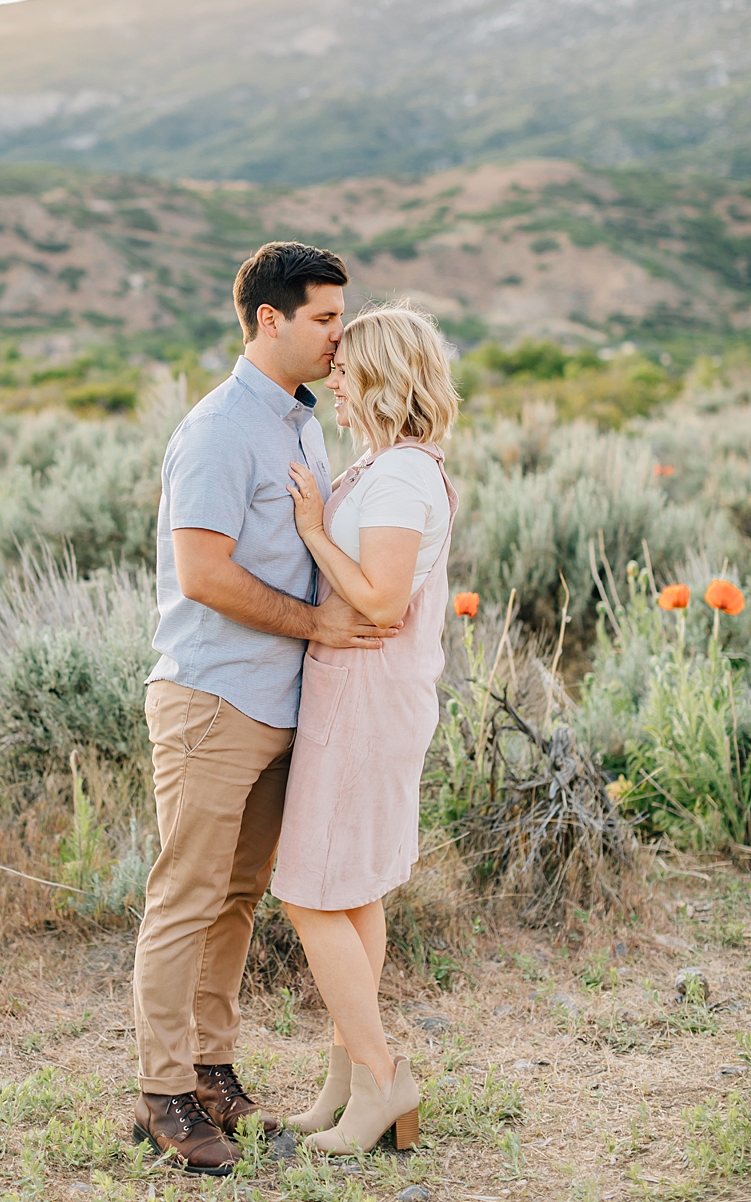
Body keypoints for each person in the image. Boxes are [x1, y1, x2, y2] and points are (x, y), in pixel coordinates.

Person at [132, 241, 403, 1176]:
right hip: (212, 699)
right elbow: (204, 574)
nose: (341, 335)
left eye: (341, 316)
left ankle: (212, 1071)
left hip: (279, 702)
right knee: (185, 898)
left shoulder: (300, 422)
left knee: (239, 898)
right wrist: (318, 626)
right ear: (269, 321)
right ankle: (163, 1094)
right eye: (326, 319)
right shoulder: (216, 430)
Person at [271, 304, 460, 1156]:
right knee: (351, 892)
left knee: (308, 893)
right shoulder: (382, 467)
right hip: (356, 694)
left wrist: (312, 530)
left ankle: (382, 1080)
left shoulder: (401, 479)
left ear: (383, 376)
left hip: (366, 702)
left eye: (346, 370)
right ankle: (346, 1084)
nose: (333, 381)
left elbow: (382, 599)